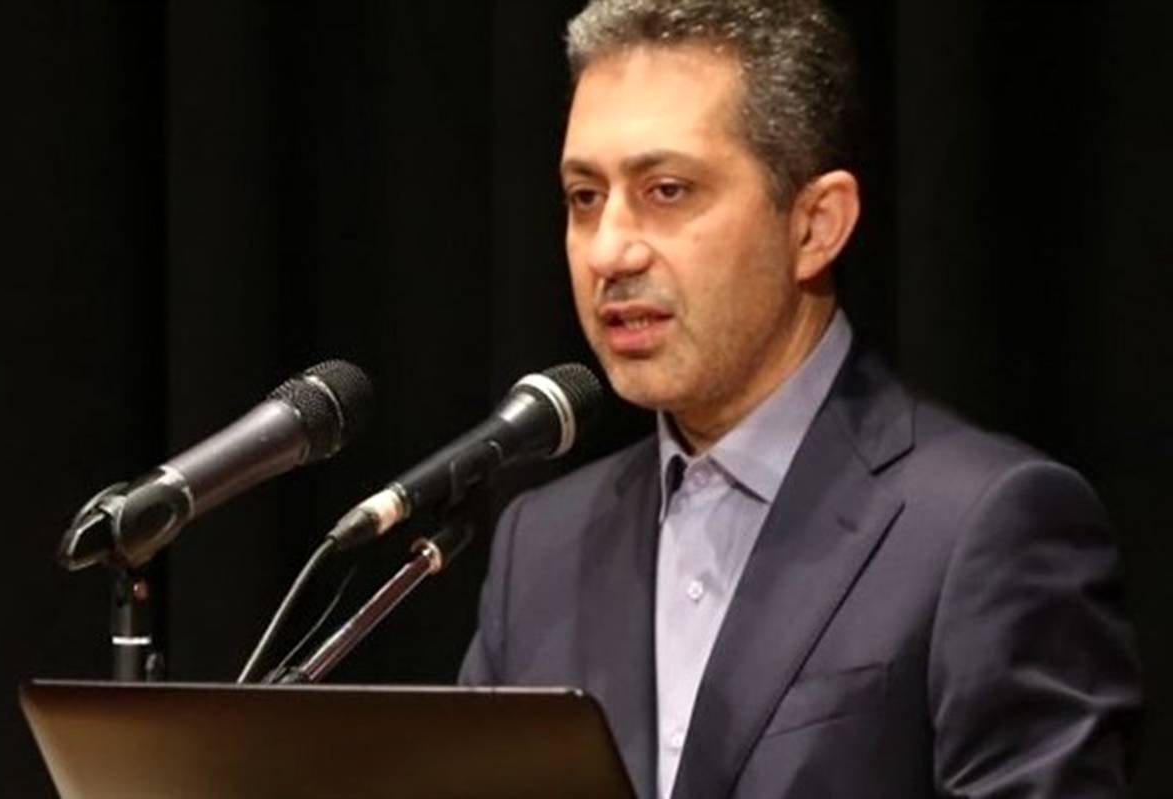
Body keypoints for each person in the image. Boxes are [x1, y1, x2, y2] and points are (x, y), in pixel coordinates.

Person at [460, 1, 1142, 796]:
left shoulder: (984, 526)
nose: (609, 249)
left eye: (667, 190)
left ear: (816, 225)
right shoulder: (539, 548)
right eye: (585, 197)